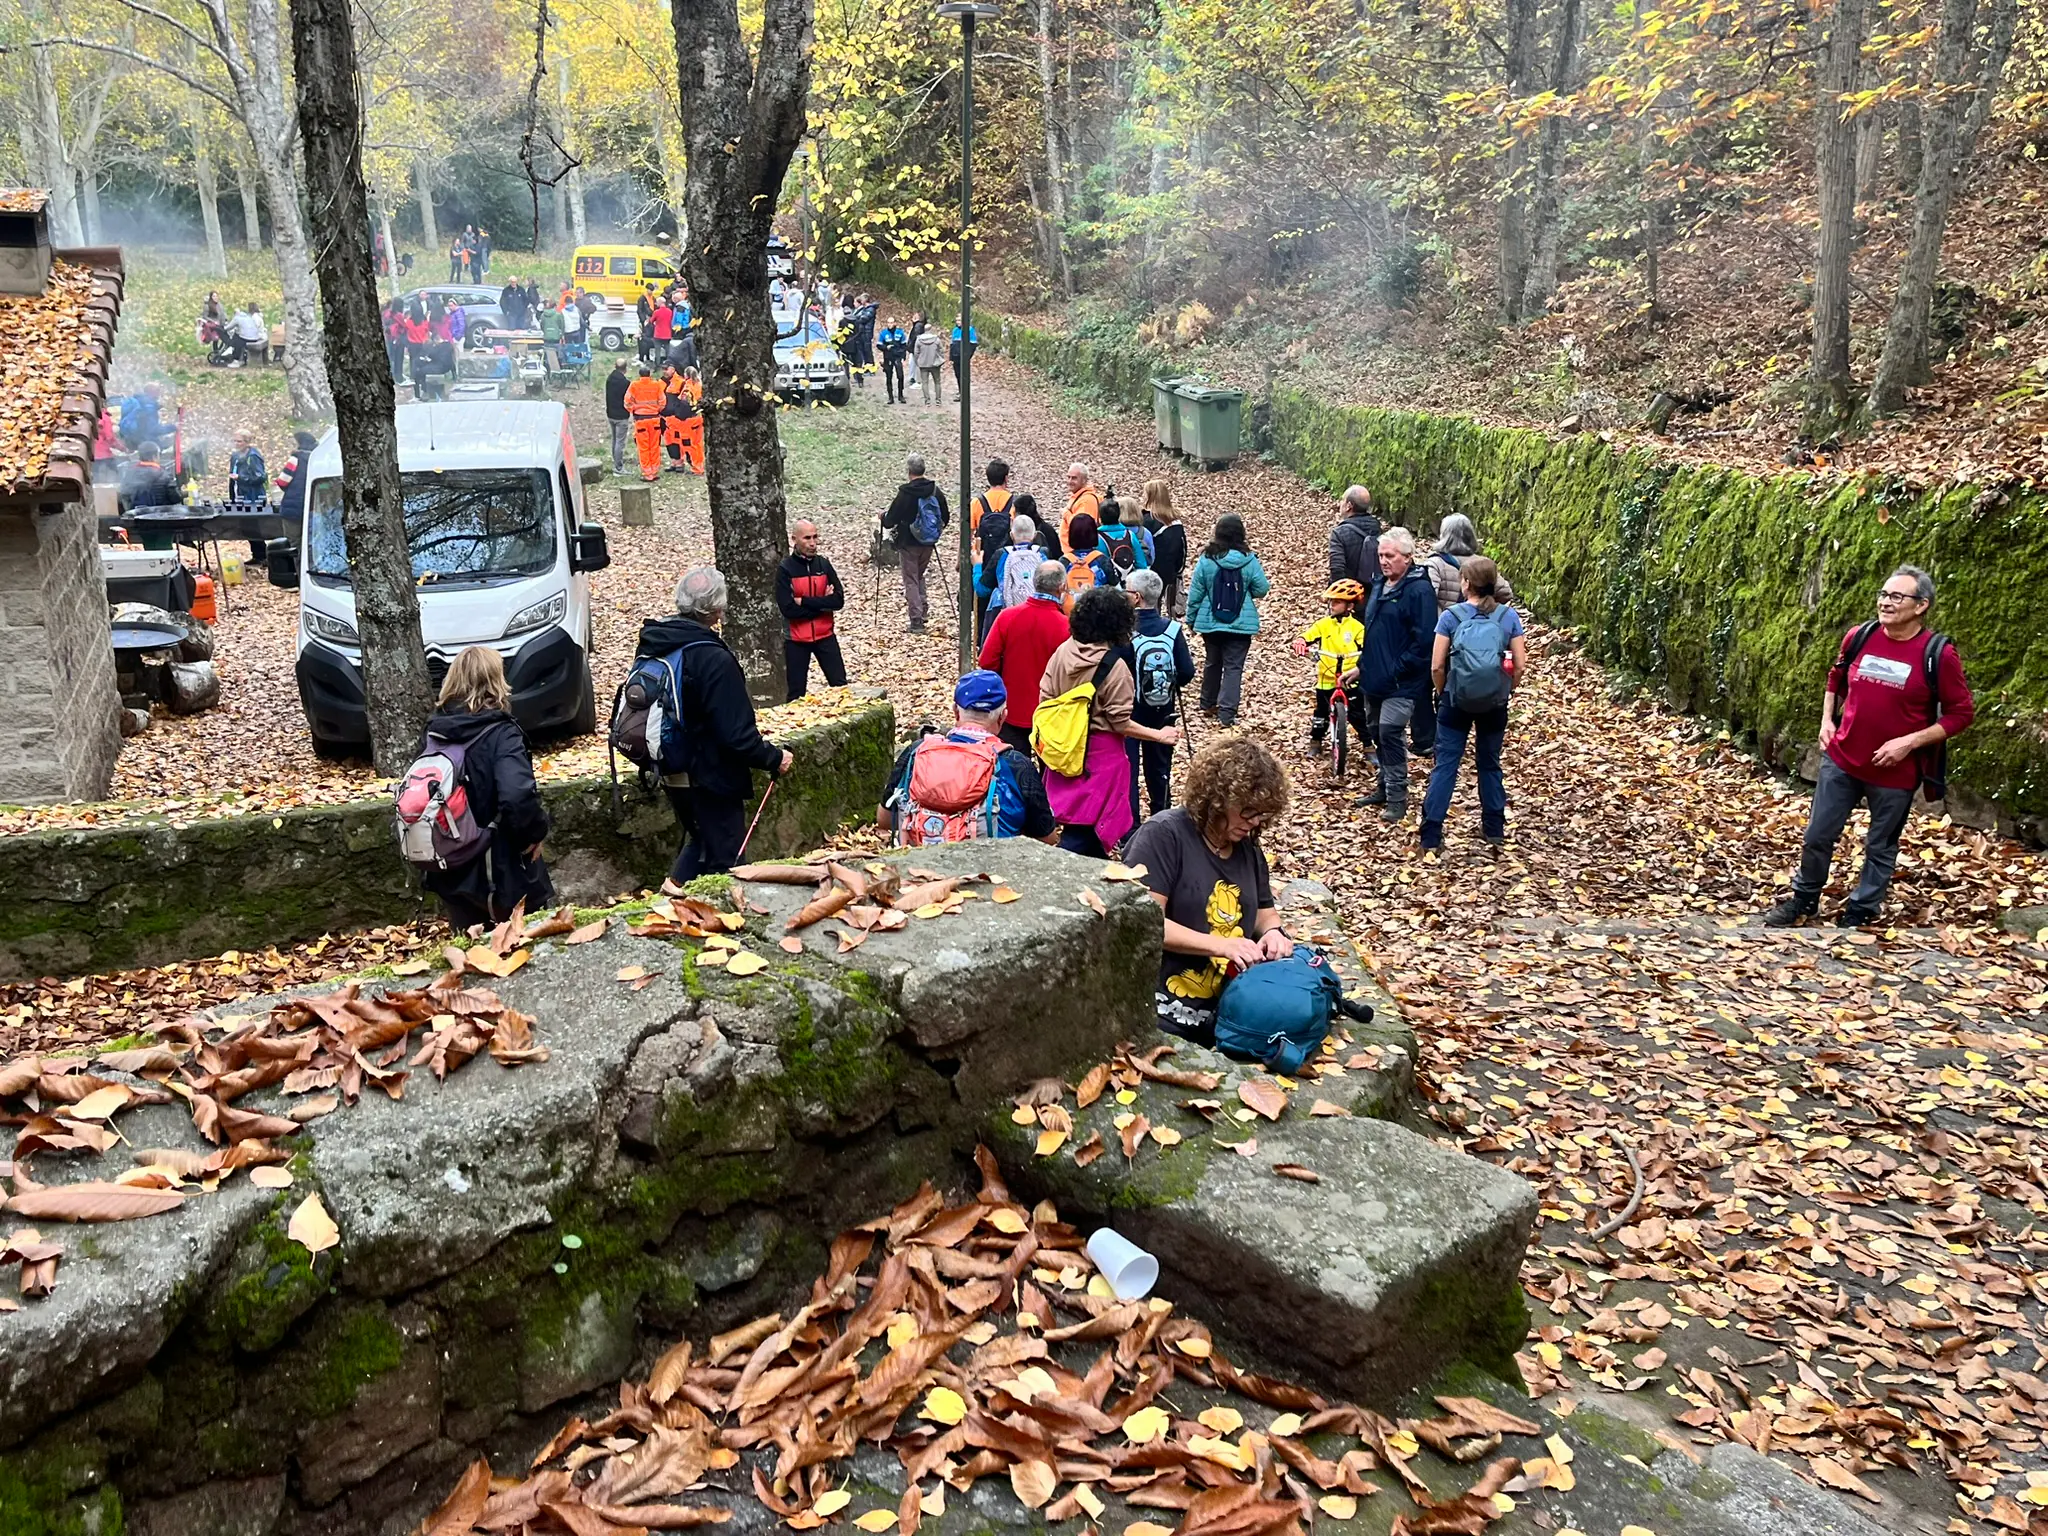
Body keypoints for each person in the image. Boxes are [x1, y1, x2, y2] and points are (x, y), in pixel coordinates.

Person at [1762, 567, 1974, 928]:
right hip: (1843, 759)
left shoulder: (1937, 653)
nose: (1885, 602)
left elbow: (1961, 713)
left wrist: (1909, 742)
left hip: (1895, 771)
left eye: (1896, 597)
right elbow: (1836, 676)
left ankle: (1861, 911)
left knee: (1880, 845)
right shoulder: (1860, 636)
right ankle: (1804, 899)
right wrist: (1827, 721)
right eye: (1883, 594)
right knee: (1818, 834)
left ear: (1921, 605)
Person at [1124, 735, 1294, 1043]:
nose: (1254, 822)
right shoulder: (1163, 836)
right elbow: (1145, 924)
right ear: (1217, 799)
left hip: (1229, 1013)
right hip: (1162, 1013)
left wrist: (1273, 934)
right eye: (1247, 810)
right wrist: (1220, 944)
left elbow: (1265, 915)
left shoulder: (1248, 850)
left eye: (1262, 814)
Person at [634, 567, 793, 890]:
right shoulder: (712, 657)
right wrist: (774, 758)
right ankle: (727, 928)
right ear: (718, 610)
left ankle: (668, 899)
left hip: (671, 769)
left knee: (701, 843)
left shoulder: (657, 643)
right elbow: (736, 735)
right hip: (711, 778)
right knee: (728, 864)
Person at [412, 647, 555, 929]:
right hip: (500, 867)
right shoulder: (502, 733)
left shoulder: (435, 733)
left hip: (449, 863)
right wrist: (534, 834)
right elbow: (516, 798)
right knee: (527, 943)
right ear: (496, 681)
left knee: (470, 948)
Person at [1037, 585, 1179, 857]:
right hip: (1100, 758)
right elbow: (1119, 722)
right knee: (1089, 830)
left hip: (1063, 748)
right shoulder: (1115, 668)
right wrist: (1158, 735)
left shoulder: (1063, 652)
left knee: (1074, 821)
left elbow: (1045, 697)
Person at [1419, 558, 1529, 852]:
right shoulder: (1508, 617)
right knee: (1489, 763)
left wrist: (1444, 694)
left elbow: (1437, 666)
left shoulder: (1451, 617)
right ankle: (1494, 828)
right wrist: (1505, 690)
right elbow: (1519, 666)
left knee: (1446, 765)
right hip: (1494, 703)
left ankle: (1431, 834)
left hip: (1455, 702)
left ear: (1466, 583)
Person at [878, 671, 1056, 844]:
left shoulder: (916, 752)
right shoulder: (1016, 765)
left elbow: (885, 819)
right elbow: (1046, 837)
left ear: (955, 711)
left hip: (920, 870)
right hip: (990, 871)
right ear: (1003, 716)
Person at [1355, 527, 1436, 823]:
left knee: (1390, 731)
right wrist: (1362, 666)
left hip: (1403, 682)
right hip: (1374, 677)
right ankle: (1383, 786)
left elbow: (1424, 641)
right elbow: (1373, 632)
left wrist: (1397, 667)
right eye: (1380, 555)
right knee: (1376, 731)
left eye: (1390, 556)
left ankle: (1398, 797)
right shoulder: (1378, 585)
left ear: (1408, 557)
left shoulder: (1419, 590)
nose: (1384, 561)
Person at [1186, 512, 1270, 728]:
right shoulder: (1249, 560)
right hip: (1241, 625)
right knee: (1234, 667)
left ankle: (1207, 703)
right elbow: (1262, 589)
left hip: (1211, 622)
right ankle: (1227, 713)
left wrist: (1192, 617)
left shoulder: (1207, 559)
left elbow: (1196, 591)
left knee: (1213, 662)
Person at [978, 560, 1072, 752]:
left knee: (1016, 773)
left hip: (1011, 710)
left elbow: (986, 661)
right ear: (1062, 587)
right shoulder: (1067, 627)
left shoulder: (1007, 617)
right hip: (1052, 713)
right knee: (1051, 772)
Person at [1127, 569, 1194, 820]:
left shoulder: (1125, 630)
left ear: (1136, 597)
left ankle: (1130, 828)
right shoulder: (1172, 630)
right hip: (1164, 711)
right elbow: (1187, 672)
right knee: (1159, 768)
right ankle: (1161, 818)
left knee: (1129, 771)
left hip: (1129, 713)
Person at [776, 520, 847, 700]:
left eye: (815, 537)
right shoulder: (785, 569)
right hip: (796, 640)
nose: (813, 543)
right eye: (807, 538)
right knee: (796, 694)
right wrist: (823, 604)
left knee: (841, 688)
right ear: (794, 539)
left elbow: (838, 601)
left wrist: (804, 601)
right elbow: (788, 609)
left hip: (825, 636)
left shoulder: (823, 565)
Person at [1293, 580, 1366, 753]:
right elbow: (1309, 635)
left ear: (1349, 606)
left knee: (1357, 714)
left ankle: (1368, 745)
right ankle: (1316, 741)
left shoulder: (1357, 627)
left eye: (1337, 602)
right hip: (1326, 677)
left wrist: (1364, 656)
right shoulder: (1323, 624)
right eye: (1331, 602)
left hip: (1349, 678)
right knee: (1321, 713)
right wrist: (1301, 641)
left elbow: (1366, 646)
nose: (1332, 605)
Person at [881, 453, 949, 633]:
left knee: (911, 579)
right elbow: (945, 516)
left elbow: (890, 520)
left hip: (908, 543)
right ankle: (923, 610)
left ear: (909, 471)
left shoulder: (905, 493)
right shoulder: (935, 490)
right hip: (928, 542)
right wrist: (935, 532)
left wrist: (883, 517)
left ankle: (916, 620)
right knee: (919, 575)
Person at [1423, 514, 1514, 612]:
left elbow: (1426, 598)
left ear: (1443, 535)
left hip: (1445, 624)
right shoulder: (1481, 564)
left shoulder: (1435, 563)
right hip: (1477, 624)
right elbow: (1506, 593)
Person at [971, 460, 1016, 635]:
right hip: (1006, 558)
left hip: (982, 557)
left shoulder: (977, 503)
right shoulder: (1013, 502)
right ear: (1006, 478)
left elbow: (969, 532)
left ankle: (981, 638)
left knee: (982, 598)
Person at [982, 514, 1043, 635]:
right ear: (1035, 535)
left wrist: (977, 566)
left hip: (1006, 613)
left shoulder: (1002, 555)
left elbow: (981, 589)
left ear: (1011, 535)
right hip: (1038, 614)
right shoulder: (1042, 554)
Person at [1060, 513, 1119, 610]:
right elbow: (1115, 587)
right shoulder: (1102, 559)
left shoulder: (1064, 561)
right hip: (1097, 612)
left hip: (1069, 612)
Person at [1145, 481, 1187, 617]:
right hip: (1172, 573)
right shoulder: (1176, 522)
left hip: (1152, 573)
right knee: (1171, 611)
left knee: (1152, 609)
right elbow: (1182, 548)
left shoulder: (1147, 521)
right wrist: (1179, 570)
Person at [1328, 485, 1383, 590]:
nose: (1340, 503)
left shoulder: (1339, 533)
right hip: (1375, 590)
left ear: (1349, 505)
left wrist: (1339, 596)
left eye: (1342, 500)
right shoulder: (1377, 528)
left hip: (1351, 592)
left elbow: (1337, 569)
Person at [228, 427, 268, 566]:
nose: (236, 444)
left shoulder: (253, 456)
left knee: (253, 527)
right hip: (239, 494)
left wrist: (241, 478)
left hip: (253, 497)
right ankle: (257, 555)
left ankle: (262, 556)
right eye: (235, 441)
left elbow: (260, 477)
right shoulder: (235, 456)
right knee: (247, 527)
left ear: (247, 442)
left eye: (239, 441)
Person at [624, 365, 667, 482]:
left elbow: (627, 402)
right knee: (654, 446)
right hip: (655, 420)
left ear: (640, 375)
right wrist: (657, 410)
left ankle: (647, 473)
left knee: (643, 447)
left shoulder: (634, 385)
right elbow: (663, 401)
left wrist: (634, 410)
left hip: (641, 420)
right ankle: (654, 471)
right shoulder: (656, 385)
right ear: (650, 375)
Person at [118, 440, 184, 513]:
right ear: (154, 456)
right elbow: (175, 499)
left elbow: (124, 496)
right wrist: (184, 493)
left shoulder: (129, 474)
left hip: (137, 518)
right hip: (161, 517)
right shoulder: (165, 475)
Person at [1098, 496, 1156, 577]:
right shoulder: (1130, 535)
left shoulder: (1097, 537)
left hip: (1107, 583)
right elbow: (1141, 563)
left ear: (1100, 519)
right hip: (1128, 581)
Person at [275, 429, 317, 529]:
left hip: (293, 508)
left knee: (293, 541)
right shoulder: (318, 459)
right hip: (313, 507)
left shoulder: (295, 460)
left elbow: (282, 481)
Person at [1061, 463, 1104, 552]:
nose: (1069, 481)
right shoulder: (1079, 496)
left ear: (1084, 480)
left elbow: (1081, 528)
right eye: (1068, 477)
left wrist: (1066, 514)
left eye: (1074, 478)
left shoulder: (1087, 500)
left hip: (1076, 555)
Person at [604, 359, 633, 474]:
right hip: (621, 416)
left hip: (611, 414)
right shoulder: (625, 383)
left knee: (615, 440)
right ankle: (619, 467)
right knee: (620, 442)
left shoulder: (609, 379)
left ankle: (615, 462)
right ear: (625, 369)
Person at [117, 384, 165, 450]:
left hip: (130, 439)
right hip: (144, 441)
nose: (159, 395)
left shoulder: (136, 401)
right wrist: (173, 427)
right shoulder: (148, 406)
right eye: (158, 391)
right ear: (153, 392)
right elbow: (153, 429)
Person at [878, 317, 909, 404]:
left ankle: (900, 395)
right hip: (888, 358)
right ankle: (890, 397)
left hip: (897, 357)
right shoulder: (884, 333)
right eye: (888, 323)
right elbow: (879, 345)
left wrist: (903, 357)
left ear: (895, 323)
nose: (890, 324)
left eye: (891, 323)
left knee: (900, 376)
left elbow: (904, 346)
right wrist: (885, 347)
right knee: (889, 377)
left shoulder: (900, 332)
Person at [913, 324, 946, 405]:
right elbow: (941, 350)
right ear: (931, 329)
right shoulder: (936, 339)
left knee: (924, 382)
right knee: (937, 382)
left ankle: (927, 401)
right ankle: (938, 400)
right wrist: (940, 359)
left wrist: (917, 361)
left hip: (923, 364)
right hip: (935, 363)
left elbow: (916, 352)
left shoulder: (919, 340)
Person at [948, 324, 977, 400]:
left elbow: (973, 344)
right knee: (958, 375)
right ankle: (961, 391)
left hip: (964, 357)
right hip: (956, 357)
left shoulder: (970, 330)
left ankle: (964, 393)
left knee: (964, 375)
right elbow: (952, 345)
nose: (958, 322)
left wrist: (967, 357)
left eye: (959, 320)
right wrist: (951, 357)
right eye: (956, 320)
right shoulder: (955, 330)